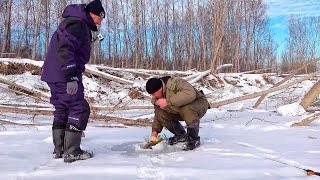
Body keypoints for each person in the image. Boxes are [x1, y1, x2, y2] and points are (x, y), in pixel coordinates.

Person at [41, 0, 105, 163]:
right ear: (92, 14)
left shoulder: (73, 23)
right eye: (100, 17)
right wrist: (70, 75)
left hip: (54, 74)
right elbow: (66, 48)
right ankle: (72, 151)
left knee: (62, 107)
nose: (100, 21)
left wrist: (89, 42)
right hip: (64, 74)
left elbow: (72, 46)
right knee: (79, 107)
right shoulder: (77, 24)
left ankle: (60, 149)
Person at [145, 76, 210, 150]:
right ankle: (181, 136)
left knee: (187, 108)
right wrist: (155, 132)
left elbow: (190, 94)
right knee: (161, 112)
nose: (153, 96)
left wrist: (168, 101)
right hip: (180, 110)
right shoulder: (157, 97)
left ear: (160, 88)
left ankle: (193, 139)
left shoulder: (176, 82)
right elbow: (158, 114)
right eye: (151, 95)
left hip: (199, 104)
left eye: (154, 94)